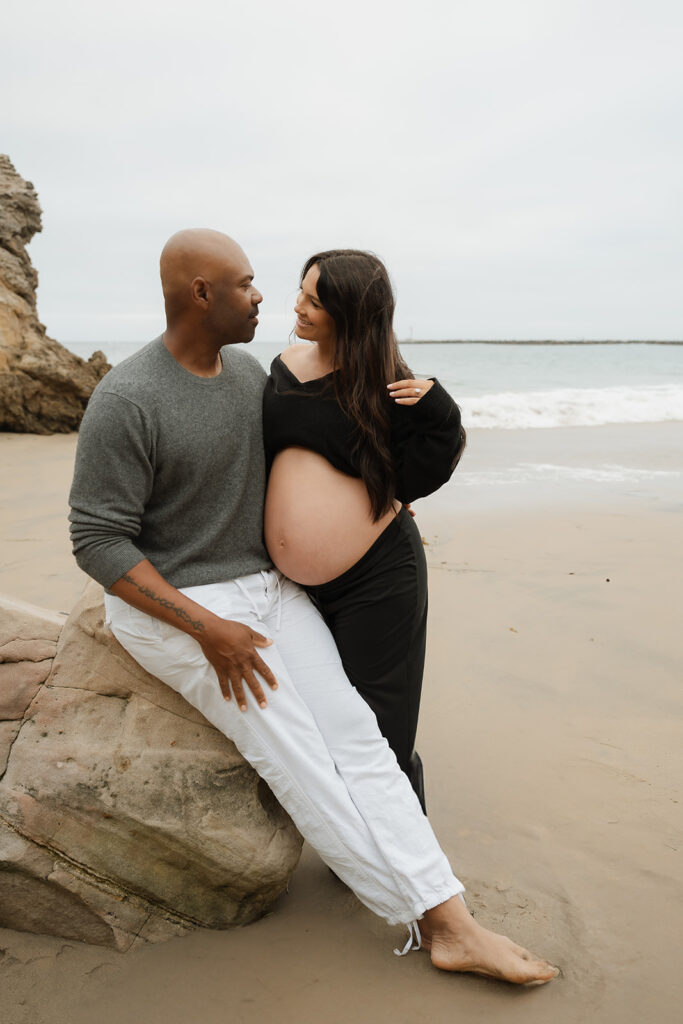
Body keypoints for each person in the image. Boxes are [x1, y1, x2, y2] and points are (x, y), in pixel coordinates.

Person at [68, 228, 557, 984]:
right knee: (300, 753)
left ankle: (447, 913)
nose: (264, 296)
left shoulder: (246, 374)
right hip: (190, 608)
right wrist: (210, 630)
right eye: (247, 283)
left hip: (268, 590)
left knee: (359, 739)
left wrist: (385, 490)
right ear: (201, 293)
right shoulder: (128, 398)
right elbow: (97, 539)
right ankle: (441, 925)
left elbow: (329, 443)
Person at [263, 250, 464, 812]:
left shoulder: (387, 383)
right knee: (310, 714)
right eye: (302, 292)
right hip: (292, 586)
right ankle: (338, 829)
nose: (298, 307)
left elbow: (415, 476)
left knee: (380, 724)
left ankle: (402, 845)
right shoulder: (283, 366)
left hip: (377, 577)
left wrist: (441, 414)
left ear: (351, 313)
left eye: (315, 301)